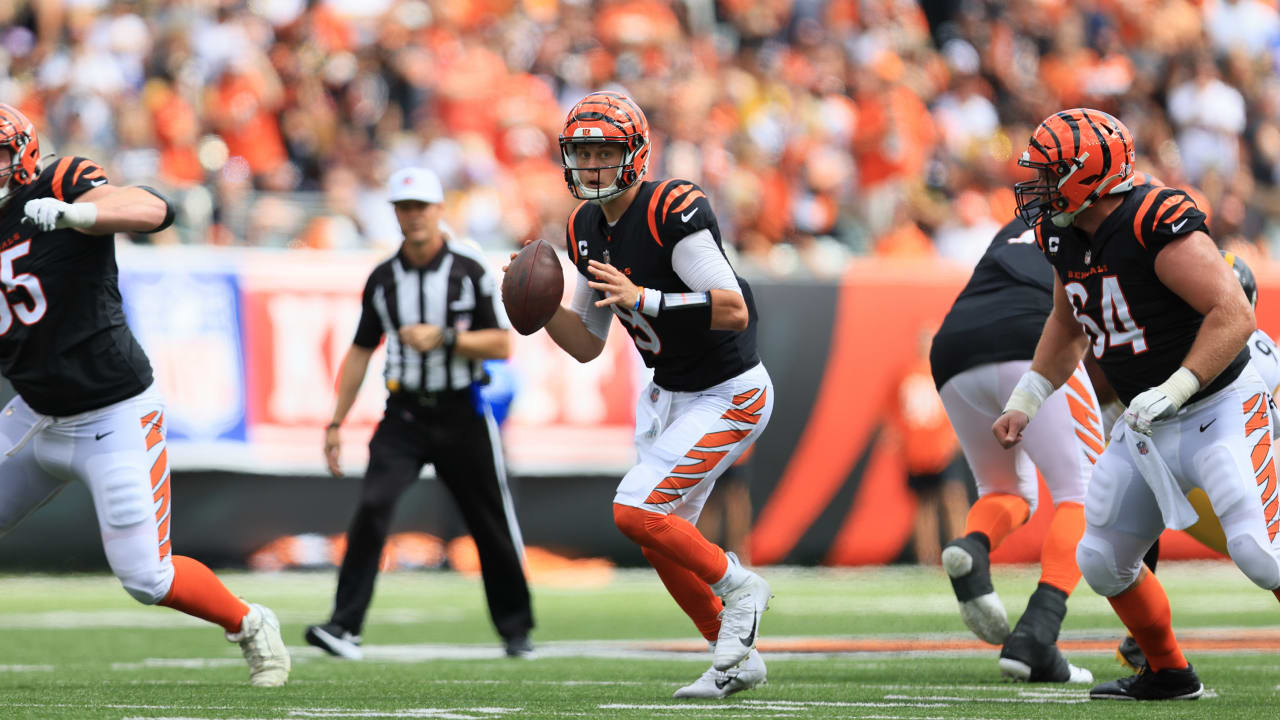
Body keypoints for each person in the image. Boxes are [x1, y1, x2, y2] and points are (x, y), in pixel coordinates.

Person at [995, 107, 1280, 701]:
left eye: (1050, 175)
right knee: (1101, 558)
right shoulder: (1062, 234)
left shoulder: (1154, 219)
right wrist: (1027, 396)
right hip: (1150, 418)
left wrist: (1176, 386)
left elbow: (1234, 314)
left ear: (1088, 174)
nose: (1038, 188)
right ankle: (1168, 672)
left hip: (1219, 400)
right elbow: (1067, 321)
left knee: (1262, 554)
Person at [0, 104, 290, 686]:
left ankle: (250, 622)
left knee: (146, 577)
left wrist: (77, 215)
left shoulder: (61, 182)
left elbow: (154, 208)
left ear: (24, 153)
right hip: (34, 414)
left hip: (112, 414)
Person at [525, 90, 773, 699]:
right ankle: (732, 656)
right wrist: (536, 308)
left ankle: (740, 586)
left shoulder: (670, 207)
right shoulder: (584, 227)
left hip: (729, 391)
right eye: (582, 153)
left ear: (635, 154)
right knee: (659, 539)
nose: (591, 166)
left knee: (636, 509)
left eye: (604, 151)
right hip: (671, 398)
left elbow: (736, 310)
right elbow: (586, 342)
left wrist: (647, 299)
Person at [306, 166, 534, 661]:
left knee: (490, 521)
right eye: (403, 208)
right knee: (372, 507)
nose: (412, 217)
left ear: (438, 210)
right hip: (404, 414)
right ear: (394, 214)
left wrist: (447, 338)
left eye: (420, 207)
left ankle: (517, 629)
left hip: (462, 412)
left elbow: (501, 344)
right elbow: (361, 350)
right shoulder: (384, 279)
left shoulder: (467, 270)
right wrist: (335, 421)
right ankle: (344, 627)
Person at [930, 212, 1098, 684]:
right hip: (1030, 339)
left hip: (954, 348)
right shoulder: (1108, 221)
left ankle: (973, 546)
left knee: (1006, 489)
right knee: (1086, 492)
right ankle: (1037, 634)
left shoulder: (1023, 220)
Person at [1114, 249, 1280, 670]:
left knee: (1258, 550)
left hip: (1226, 454)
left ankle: (1145, 646)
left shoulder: (1253, 348)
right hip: (1186, 455)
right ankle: (1150, 651)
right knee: (1118, 528)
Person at [894, 325, 967, 567]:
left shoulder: (945, 373)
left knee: (952, 500)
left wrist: (955, 439)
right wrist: (902, 442)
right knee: (924, 505)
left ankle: (961, 551)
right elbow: (892, 415)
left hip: (942, 448)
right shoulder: (906, 374)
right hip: (918, 450)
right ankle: (927, 556)